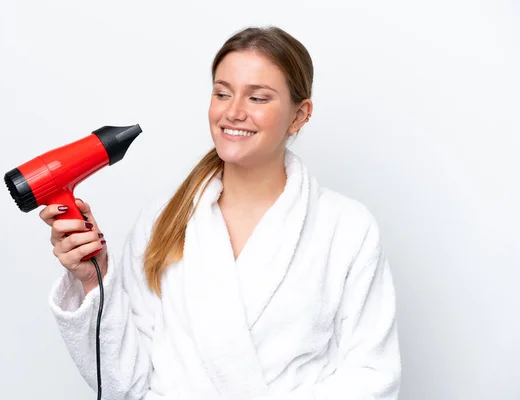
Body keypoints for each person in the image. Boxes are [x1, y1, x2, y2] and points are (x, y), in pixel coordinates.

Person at [40, 26, 401, 400]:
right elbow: (122, 381)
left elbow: (373, 375)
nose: (233, 112)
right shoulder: (163, 219)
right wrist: (91, 279)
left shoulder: (346, 228)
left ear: (299, 115)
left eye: (258, 98)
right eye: (222, 93)